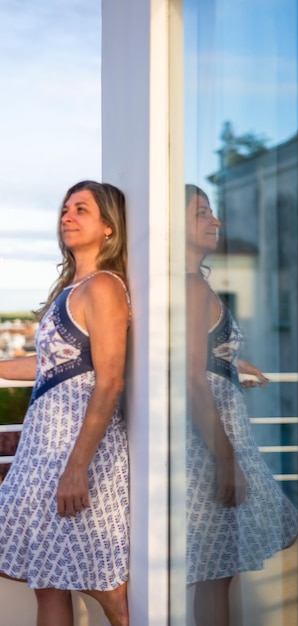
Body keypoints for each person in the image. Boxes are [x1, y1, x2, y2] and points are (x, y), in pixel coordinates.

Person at [0, 180, 130, 626]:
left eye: (81, 210)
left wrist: (77, 468)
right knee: (47, 580)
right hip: (44, 450)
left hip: (77, 452)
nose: (67, 216)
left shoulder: (104, 287)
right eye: (64, 209)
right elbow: (51, 366)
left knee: (110, 591)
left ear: (109, 228)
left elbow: (110, 380)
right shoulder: (71, 289)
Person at [185, 184, 298, 626]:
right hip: (213, 444)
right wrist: (227, 461)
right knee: (217, 569)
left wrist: (230, 363)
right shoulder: (192, 287)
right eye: (201, 213)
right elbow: (191, 376)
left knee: (220, 569)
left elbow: (199, 361)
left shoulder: (195, 285)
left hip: (214, 435)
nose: (216, 222)